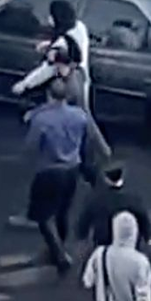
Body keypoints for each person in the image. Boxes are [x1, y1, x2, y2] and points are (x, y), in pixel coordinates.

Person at [22, 77, 107, 275]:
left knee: (43, 216)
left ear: (48, 94)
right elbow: (87, 140)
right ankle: (58, 247)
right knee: (62, 212)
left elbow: (31, 145)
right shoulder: (79, 115)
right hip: (72, 170)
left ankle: (59, 254)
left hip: (49, 170)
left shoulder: (42, 119)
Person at [11, 0, 90, 107]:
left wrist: (24, 84)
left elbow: (47, 70)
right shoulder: (79, 27)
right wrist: (49, 44)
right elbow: (72, 43)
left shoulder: (61, 44)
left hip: (67, 88)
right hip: (81, 80)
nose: (49, 18)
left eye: (51, 15)